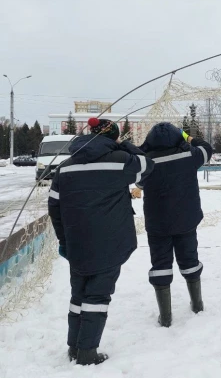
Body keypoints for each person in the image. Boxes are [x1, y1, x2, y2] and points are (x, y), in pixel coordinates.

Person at [48, 118, 154, 365]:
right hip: (110, 242)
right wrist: (123, 145)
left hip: (76, 242)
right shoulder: (120, 163)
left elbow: (54, 206)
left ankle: (74, 347)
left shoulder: (65, 167)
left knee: (78, 295)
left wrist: (65, 239)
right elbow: (147, 165)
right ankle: (87, 352)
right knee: (97, 296)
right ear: (113, 137)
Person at [135, 123, 212, 327]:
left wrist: (144, 148)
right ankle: (197, 304)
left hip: (158, 223)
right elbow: (207, 148)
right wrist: (187, 138)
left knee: (160, 265)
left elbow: (139, 184)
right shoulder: (189, 156)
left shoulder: (147, 163)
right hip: (186, 220)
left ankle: (166, 317)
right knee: (190, 259)